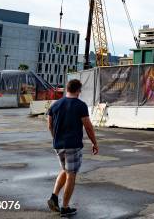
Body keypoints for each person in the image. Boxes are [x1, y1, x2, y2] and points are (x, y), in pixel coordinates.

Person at [46, 79, 99, 217]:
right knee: (71, 175)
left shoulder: (55, 105)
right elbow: (88, 126)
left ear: (67, 89)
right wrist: (94, 142)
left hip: (58, 145)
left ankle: (54, 196)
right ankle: (65, 207)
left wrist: (55, 138)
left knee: (65, 170)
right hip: (73, 145)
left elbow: (50, 125)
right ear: (78, 90)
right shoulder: (80, 105)